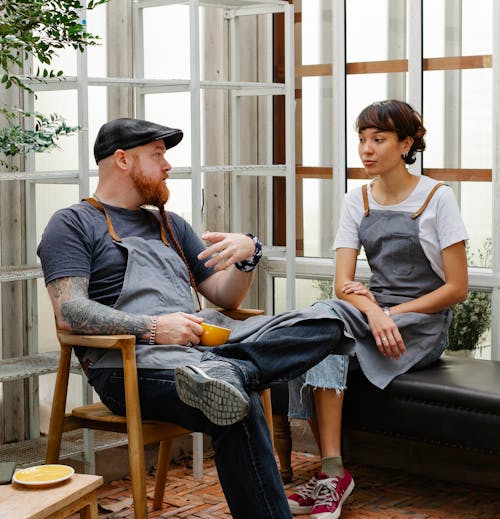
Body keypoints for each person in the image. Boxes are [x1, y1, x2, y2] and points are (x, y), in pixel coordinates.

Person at [38, 117, 357, 519]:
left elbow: (222, 295)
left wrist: (248, 255)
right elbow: (69, 312)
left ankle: (227, 374)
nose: (168, 165)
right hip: (131, 366)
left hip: (203, 353)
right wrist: (154, 329)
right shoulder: (72, 223)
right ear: (122, 160)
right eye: (157, 156)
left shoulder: (170, 226)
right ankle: (228, 378)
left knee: (328, 321)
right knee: (235, 406)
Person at [286, 99, 468, 518]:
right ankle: (334, 473)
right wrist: (372, 309)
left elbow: (457, 289)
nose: (366, 149)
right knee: (317, 330)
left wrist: (391, 313)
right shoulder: (358, 200)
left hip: (421, 323)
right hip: (372, 314)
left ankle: (330, 478)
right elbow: (341, 285)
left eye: (378, 139)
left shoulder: (438, 198)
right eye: (362, 139)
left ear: (406, 144)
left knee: (323, 339)